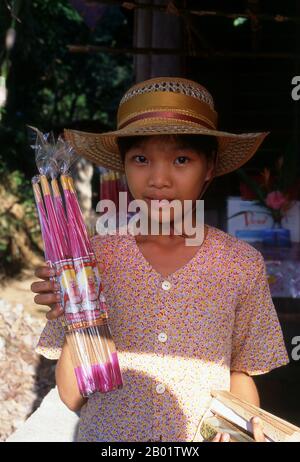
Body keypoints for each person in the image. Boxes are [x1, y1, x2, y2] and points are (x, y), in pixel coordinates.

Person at [31, 77, 289, 442]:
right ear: (123, 166)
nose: (159, 179)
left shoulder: (241, 264)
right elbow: (73, 397)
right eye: (141, 159)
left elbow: (240, 373)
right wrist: (78, 310)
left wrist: (243, 432)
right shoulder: (90, 259)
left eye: (182, 159)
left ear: (210, 167)